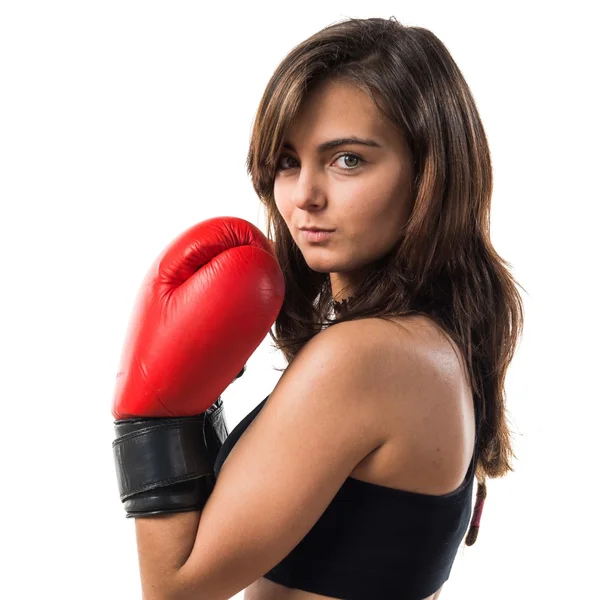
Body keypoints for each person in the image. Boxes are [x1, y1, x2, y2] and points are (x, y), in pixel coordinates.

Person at [112, 16, 524, 600]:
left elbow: (175, 589)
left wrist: (153, 416)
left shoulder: (366, 355)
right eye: (286, 161)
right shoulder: (437, 344)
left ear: (430, 173)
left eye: (347, 159)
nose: (304, 194)